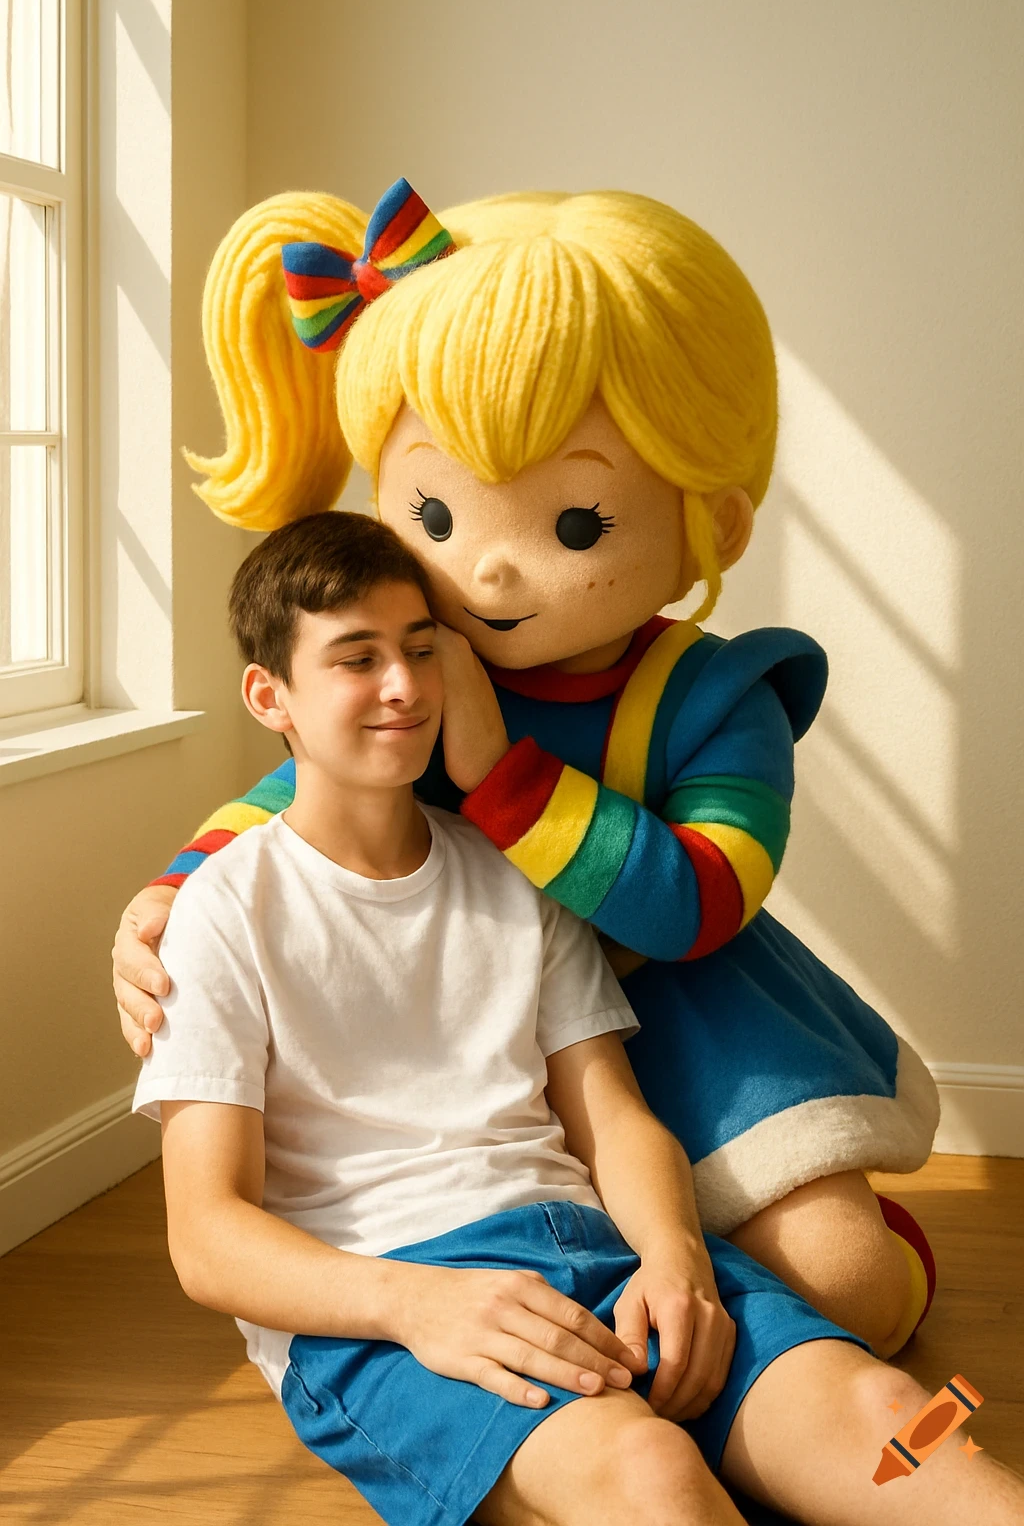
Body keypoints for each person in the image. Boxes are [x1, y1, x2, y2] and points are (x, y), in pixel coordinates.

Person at [116, 181, 941, 1361]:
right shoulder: (420, 664)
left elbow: (703, 901)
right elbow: (297, 795)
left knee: (851, 1294)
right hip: (494, 1041)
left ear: (715, 516)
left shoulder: (715, 695)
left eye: (574, 526)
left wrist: (505, 780)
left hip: (683, 1011)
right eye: (437, 513)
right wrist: (171, 891)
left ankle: (777, 1271)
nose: (489, 576)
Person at [133, 510, 1024, 1526]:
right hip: (391, 1301)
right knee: (650, 1473)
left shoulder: (516, 876)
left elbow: (612, 1114)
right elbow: (206, 1238)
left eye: (423, 649)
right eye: (356, 658)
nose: (403, 686)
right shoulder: (219, 913)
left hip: (593, 1244)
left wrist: (677, 1261)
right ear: (270, 695)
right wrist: (414, 1305)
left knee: (890, 1414)